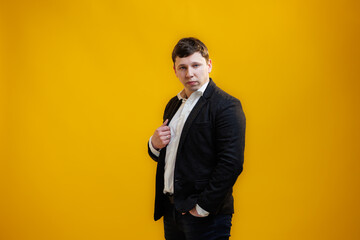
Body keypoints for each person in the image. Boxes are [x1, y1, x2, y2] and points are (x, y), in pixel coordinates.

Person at [148, 37, 246, 240]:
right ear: (174, 70)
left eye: (196, 65)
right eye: (182, 67)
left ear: (209, 65)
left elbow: (231, 163)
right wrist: (154, 144)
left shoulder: (226, 105)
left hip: (205, 215)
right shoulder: (173, 105)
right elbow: (174, 156)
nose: (189, 73)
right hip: (172, 212)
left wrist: (202, 208)